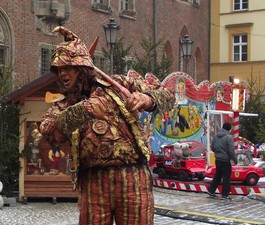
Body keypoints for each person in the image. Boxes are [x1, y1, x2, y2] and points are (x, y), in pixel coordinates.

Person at [39, 26, 175, 225]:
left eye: (68, 68)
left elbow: (167, 95)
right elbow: (49, 130)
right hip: (93, 180)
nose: (62, 74)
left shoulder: (117, 85)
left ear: (82, 69)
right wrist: (84, 110)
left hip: (133, 176)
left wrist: (146, 99)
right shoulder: (62, 105)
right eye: (59, 70)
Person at [207, 122, 238, 200]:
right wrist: (235, 159)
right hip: (225, 160)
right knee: (226, 178)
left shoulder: (216, 136)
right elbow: (231, 151)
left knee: (217, 176)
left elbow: (213, 147)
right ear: (229, 129)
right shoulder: (228, 137)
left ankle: (211, 191)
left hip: (218, 159)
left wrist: (218, 153)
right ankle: (225, 194)